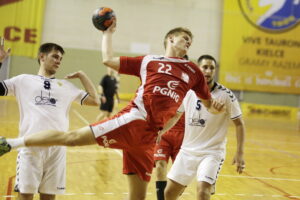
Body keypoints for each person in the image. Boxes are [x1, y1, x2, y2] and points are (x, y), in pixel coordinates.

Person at [0, 22, 225, 200]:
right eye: (185, 38)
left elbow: (207, 106)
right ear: (170, 39)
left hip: (149, 137)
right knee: (71, 138)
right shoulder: (150, 61)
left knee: (138, 197)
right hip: (134, 119)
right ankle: (11, 143)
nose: (188, 42)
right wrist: (108, 33)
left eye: (191, 41)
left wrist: (215, 108)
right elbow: (108, 59)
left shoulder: (192, 70)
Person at [0, 38, 99, 200]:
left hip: (58, 149)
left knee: (49, 197)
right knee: (25, 196)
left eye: (60, 58)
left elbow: (95, 101)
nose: (58, 61)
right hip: (30, 146)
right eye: (55, 56)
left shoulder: (66, 86)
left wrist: (82, 75)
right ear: (42, 57)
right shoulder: (23, 80)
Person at [160, 55, 246, 200]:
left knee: (202, 192)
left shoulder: (226, 95)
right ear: (198, 70)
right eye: (204, 67)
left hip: (211, 152)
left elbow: (239, 124)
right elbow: (176, 116)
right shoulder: (188, 92)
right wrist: (160, 131)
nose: (208, 70)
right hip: (188, 151)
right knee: (169, 193)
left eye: (211, 68)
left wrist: (240, 153)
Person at [154, 54, 188, 200]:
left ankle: (171, 195)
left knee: (181, 175)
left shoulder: (192, 84)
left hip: (184, 135)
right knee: (160, 165)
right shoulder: (163, 82)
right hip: (165, 132)